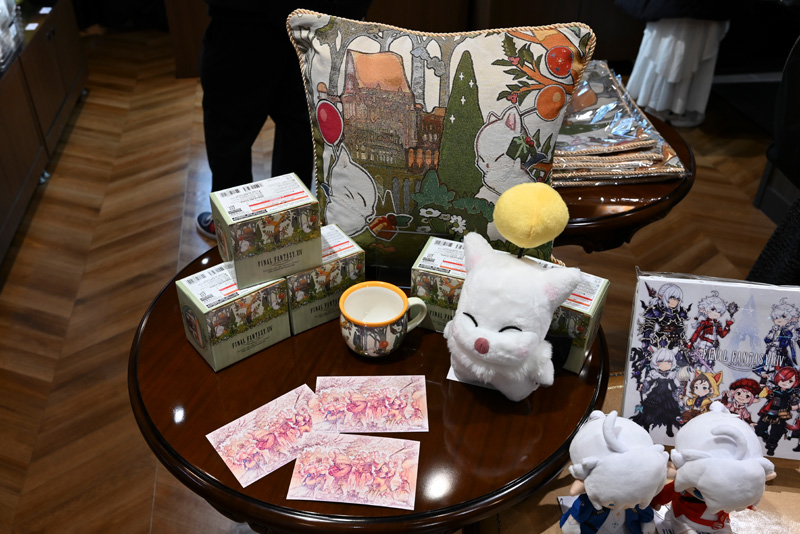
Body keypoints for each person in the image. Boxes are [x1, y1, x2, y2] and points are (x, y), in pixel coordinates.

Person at [196, 1, 373, 239]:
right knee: (298, 129)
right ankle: (288, 226)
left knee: (231, 132)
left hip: (243, 20)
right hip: (313, 20)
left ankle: (235, 232)